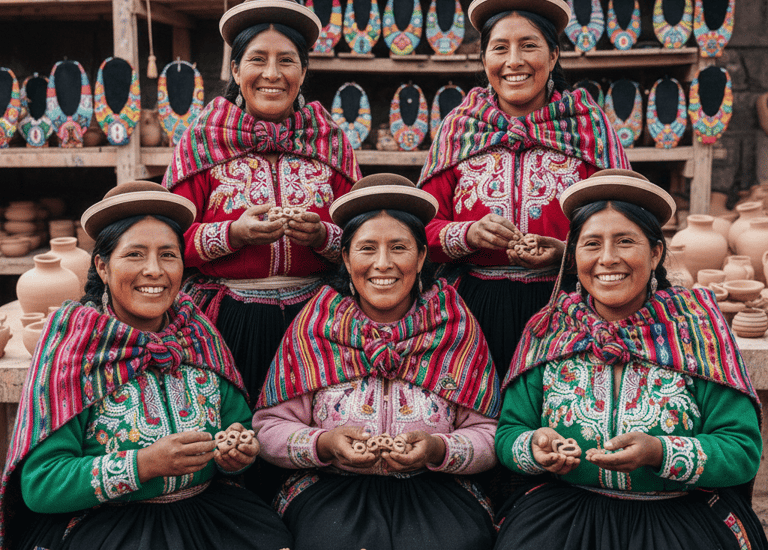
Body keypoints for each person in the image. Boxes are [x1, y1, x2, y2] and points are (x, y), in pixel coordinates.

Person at [0, 181, 293, 550]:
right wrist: (144, 464)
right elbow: (42, 484)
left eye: (168, 255)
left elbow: (239, 426)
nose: (154, 270)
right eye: (135, 254)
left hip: (207, 512)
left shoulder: (198, 333)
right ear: (102, 267)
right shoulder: (75, 347)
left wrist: (237, 455)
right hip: (107, 524)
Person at [494, 169, 767, 550]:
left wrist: (659, 452)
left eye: (625, 241)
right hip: (564, 518)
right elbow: (509, 433)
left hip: (680, 519)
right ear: (573, 256)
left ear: (655, 253)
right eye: (591, 244)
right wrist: (535, 445)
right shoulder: (549, 328)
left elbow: (741, 449)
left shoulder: (697, 329)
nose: (608, 259)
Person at [252, 174, 500, 550]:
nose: (383, 264)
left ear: (421, 257)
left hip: (436, 488)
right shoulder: (317, 324)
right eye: (367, 248)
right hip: (329, 489)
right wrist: (325, 444)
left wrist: (437, 449)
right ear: (346, 258)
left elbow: (489, 432)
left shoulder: (454, 325)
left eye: (399, 248)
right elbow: (268, 427)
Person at [418, 0, 630, 379]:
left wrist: (566, 253)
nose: (513, 61)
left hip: (568, 312)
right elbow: (419, 231)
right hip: (471, 315)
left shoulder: (588, 127)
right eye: (500, 48)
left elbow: (626, 227)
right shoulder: (459, 128)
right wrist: (468, 234)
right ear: (484, 59)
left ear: (553, 55)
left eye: (529, 45)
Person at [163, 0, 361, 404]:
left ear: (303, 72)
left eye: (286, 60)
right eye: (257, 59)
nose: (272, 74)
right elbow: (167, 241)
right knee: (236, 426)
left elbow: (367, 234)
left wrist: (322, 236)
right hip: (225, 322)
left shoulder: (330, 141)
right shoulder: (202, 139)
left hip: (319, 323)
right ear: (236, 71)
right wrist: (232, 234)